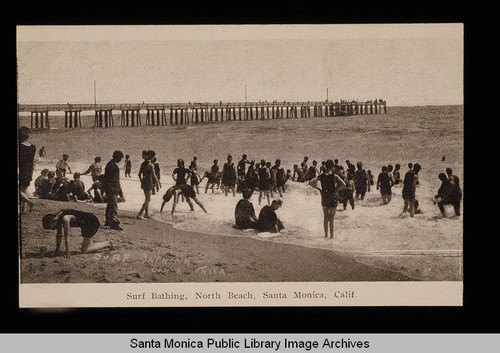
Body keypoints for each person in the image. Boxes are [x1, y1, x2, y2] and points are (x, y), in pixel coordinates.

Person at [42, 209, 114, 258]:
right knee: (87, 246)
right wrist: (56, 252)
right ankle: (103, 243)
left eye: (51, 227)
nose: (52, 229)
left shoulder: (65, 219)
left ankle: (108, 244)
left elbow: (67, 236)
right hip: (86, 223)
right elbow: (59, 236)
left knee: (84, 250)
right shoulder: (58, 218)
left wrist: (68, 253)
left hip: (91, 222)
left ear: (52, 221)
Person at [309, 159, 346, 238]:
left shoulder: (321, 176)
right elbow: (343, 184)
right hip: (333, 197)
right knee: (331, 219)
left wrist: (319, 189)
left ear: (325, 166)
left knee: (325, 217)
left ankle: (326, 235)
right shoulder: (334, 176)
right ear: (333, 167)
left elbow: (311, 182)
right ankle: (331, 237)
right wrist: (336, 190)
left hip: (325, 197)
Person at [103, 150, 125, 230]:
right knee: (114, 207)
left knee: (110, 205)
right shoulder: (114, 166)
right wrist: (120, 193)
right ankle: (114, 223)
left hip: (109, 188)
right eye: (120, 158)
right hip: (113, 188)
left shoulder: (109, 164)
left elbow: (107, 178)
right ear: (117, 157)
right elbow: (116, 180)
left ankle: (108, 221)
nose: (120, 160)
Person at [18, 126, 36, 213]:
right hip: (29, 169)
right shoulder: (33, 147)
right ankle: (24, 209)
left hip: (21, 168)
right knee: (24, 189)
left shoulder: (20, 146)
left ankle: (30, 202)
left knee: (20, 190)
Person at [137, 150, 159, 220]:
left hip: (144, 182)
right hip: (149, 182)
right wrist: (157, 184)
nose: (154, 158)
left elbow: (139, 174)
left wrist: (141, 181)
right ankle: (140, 214)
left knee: (146, 198)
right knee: (148, 199)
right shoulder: (151, 165)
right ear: (151, 157)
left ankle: (146, 213)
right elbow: (154, 175)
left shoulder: (143, 164)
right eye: (153, 157)